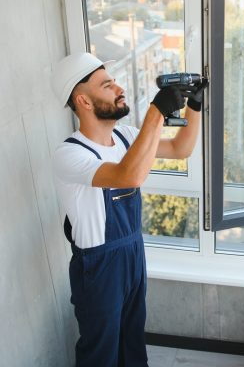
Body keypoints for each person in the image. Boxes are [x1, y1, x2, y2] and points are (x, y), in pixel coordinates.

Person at [51, 52, 206, 366]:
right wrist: (156, 112)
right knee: (101, 351)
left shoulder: (126, 136)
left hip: (133, 252)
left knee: (132, 339)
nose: (119, 88)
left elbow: (180, 148)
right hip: (99, 266)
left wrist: (196, 105)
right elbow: (128, 175)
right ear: (82, 100)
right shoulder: (68, 153)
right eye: (107, 85)